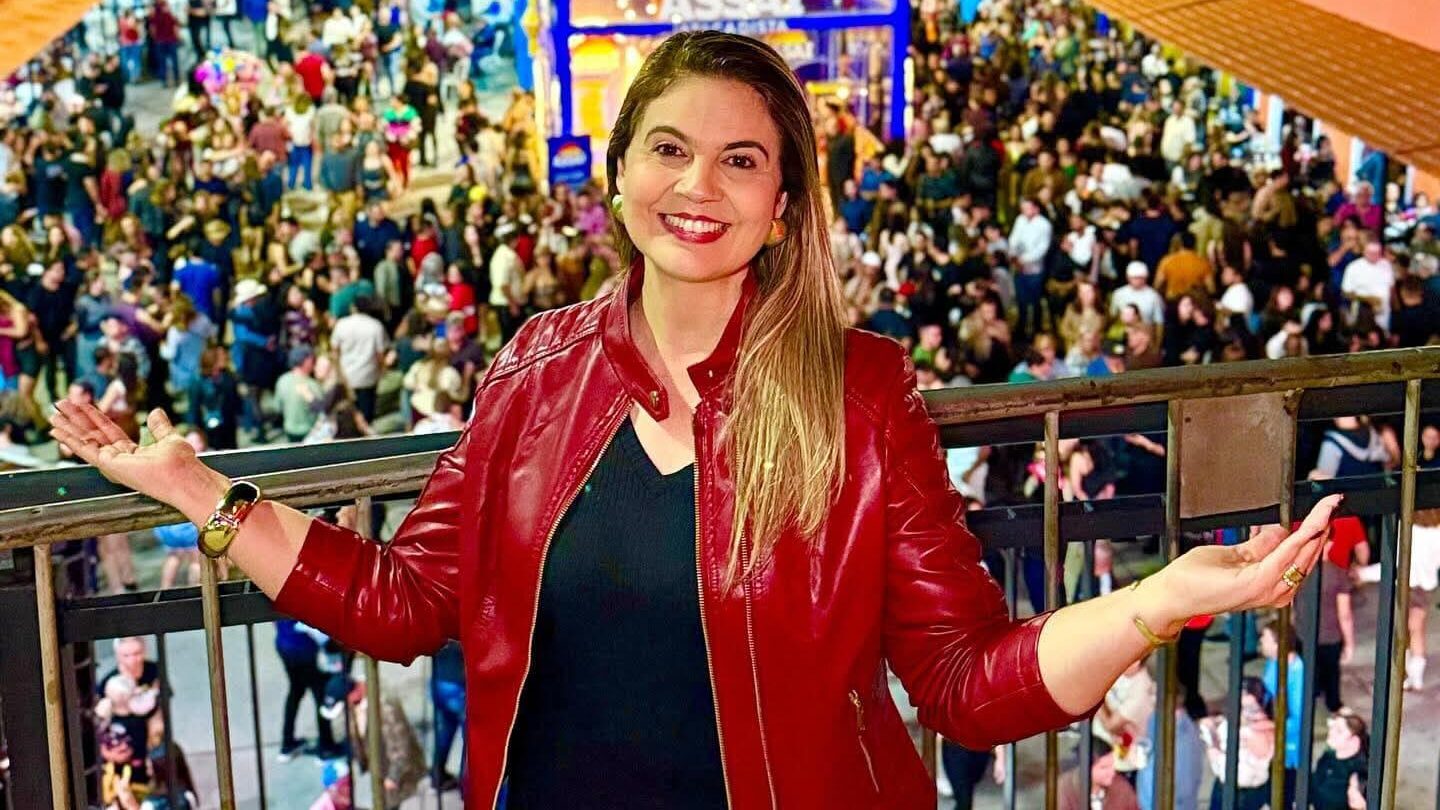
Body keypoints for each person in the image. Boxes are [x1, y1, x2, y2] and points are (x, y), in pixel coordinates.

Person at [52, 32, 1345, 807]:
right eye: (668, 148)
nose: (698, 184)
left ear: (783, 208)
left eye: (741, 159)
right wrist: (200, 492)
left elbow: (960, 684)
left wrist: (1154, 603)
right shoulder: (535, 370)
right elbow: (409, 600)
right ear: (618, 172)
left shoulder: (861, 394)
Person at [1198, 677, 1274, 810]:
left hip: (1248, 794)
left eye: (1252, 708)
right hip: (1223, 787)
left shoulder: (1263, 731)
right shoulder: (1228, 724)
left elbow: (1261, 750)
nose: (1246, 713)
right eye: (1241, 707)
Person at [1058, 737, 1138, 810]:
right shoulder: (1063, 791)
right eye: (1104, 767)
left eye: (1112, 765)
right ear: (1085, 768)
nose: (1112, 772)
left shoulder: (1121, 786)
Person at [1310, 712, 1368, 810]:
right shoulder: (1327, 757)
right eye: (1332, 727)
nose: (1331, 732)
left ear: (1354, 741)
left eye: (1339, 731)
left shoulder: (1359, 772)